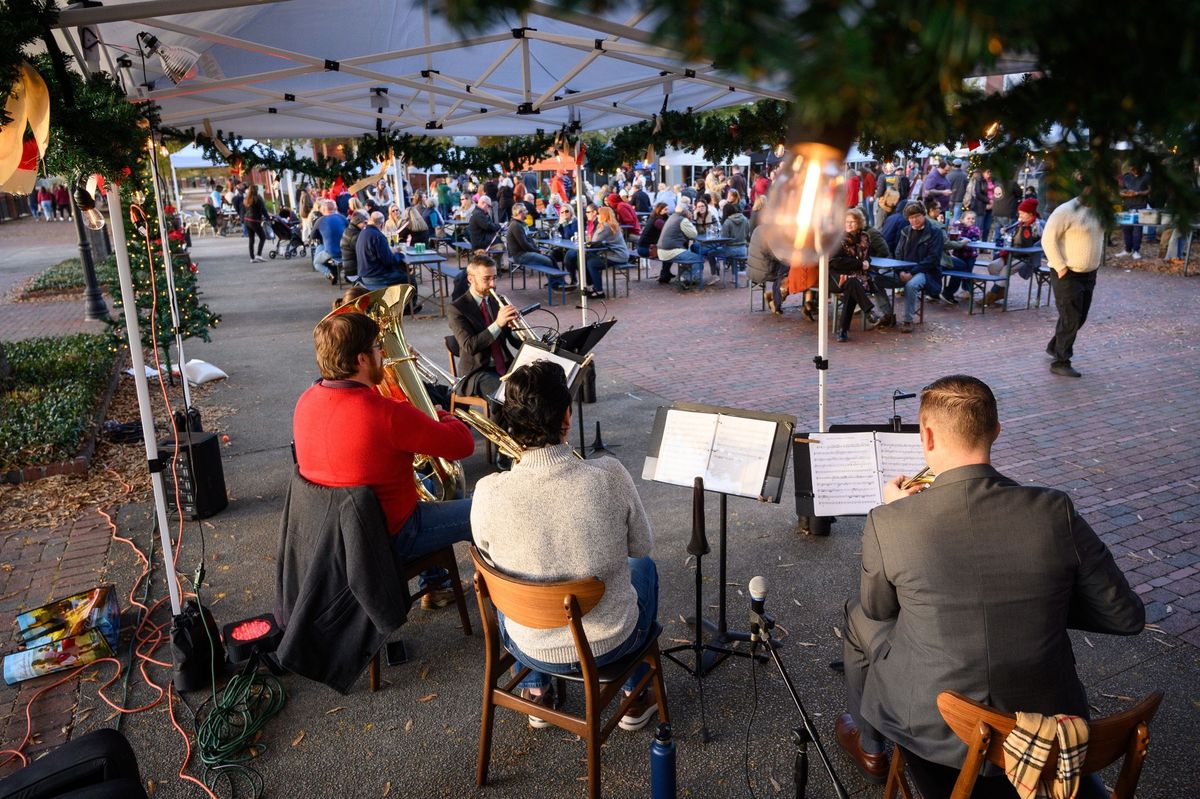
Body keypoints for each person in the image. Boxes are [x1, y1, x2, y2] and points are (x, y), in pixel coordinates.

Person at [836, 375, 1143, 787]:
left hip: (932, 727)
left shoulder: (889, 520)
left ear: (926, 436)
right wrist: (1035, 598)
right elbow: (1125, 617)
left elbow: (879, 609)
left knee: (859, 614)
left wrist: (896, 515)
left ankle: (870, 746)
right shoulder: (1056, 511)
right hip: (1047, 725)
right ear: (996, 431)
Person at [471, 360, 660, 731]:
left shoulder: (488, 491)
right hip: (609, 642)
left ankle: (535, 691)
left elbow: (490, 559)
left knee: (521, 577)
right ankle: (634, 698)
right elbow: (641, 546)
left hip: (528, 642)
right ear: (567, 417)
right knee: (645, 570)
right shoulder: (609, 474)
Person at [293, 311, 475, 608]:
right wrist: (437, 411)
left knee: (423, 496)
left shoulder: (306, 400)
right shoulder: (387, 413)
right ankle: (514, 602)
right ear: (362, 360)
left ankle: (436, 583)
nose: (384, 353)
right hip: (390, 537)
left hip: (332, 540)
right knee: (487, 507)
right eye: (379, 346)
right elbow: (462, 444)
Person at [1042, 193, 1104, 378]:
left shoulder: (1100, 211)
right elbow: (1048, 239)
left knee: (1080, 317)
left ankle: (1055, 346)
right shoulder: (1065, 211)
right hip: (1067, 274)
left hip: (1089, 274)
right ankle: (1061, 361)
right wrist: (1060, 266)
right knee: (1071, 318)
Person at [447, 255, 521, 401]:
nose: (492, 284)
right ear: (471, 279)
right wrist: (498, 324)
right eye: (486, 279)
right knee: (503, 396)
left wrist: (515, 329)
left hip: (504, 365)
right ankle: (498, 425)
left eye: (494, 277)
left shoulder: (497, 300)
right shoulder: (456, 308)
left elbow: (514, 343)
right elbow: (469, 346)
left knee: (536, 383)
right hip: (476, 372)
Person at [829, 208, 882, 341]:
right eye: (846, 221)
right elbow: (835, 263)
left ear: (859, 222)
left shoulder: (865, 237)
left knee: (852, 287)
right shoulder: (837, 238)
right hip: (837, 278)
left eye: (852, 221)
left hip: (859, 278)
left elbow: (867, 257)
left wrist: (866, 262)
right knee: (852, 283)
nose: (849, 224)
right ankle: (869, 311)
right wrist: (859, 264)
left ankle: (842, 331)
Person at [894, 202, 944, 334]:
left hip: (925, 271)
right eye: (911, 218)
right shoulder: (905, 231)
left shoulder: (935, 232)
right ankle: (887, 314)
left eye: (917, 216)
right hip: (903, 269)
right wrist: (900, 271)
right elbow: (898, 253)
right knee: (878, 278)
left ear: (924, 215)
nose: (914, 220)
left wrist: (911, 272)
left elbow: (933, 259)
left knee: (911, 285)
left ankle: (908, 320)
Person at [356, 212, 418, 311]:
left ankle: (398, 303)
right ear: (382, 224)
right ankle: (409, 308)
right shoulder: (378, 236)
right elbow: (388, 261)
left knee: (400, 272)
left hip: (364, 274)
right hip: (377, 276)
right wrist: (399, 254)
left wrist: (390, 252)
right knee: (410, 279)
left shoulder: (363, 233)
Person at [507, 203, 565, 290]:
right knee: (547, 261)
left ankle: (559, 282)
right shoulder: (515, 225)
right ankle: (556, 285)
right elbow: (524, 244)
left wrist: (537, 250)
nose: (527, 212)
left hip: (525, 252)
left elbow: (529, 240)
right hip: (520, 255)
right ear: (520, 212)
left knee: (551, 258)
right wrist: (537, 251)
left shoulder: (521, 224)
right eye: (525, 210)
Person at [584, 206, 629, 299]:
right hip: (616, 254)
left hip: (618, 256)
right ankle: (592, 286)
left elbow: (594, 240)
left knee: (591, 263)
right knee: (587, 258)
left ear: (604, 215)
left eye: (598, 214)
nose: (597, 216)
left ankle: (599, 291)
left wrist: (595, 224)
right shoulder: (609, 224)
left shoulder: (606, 226)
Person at [656, 203, 704, 285]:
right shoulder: (682, 220)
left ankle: (683, 277)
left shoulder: (671, 217)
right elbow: (693, 234)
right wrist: (690, 220)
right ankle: (686, 280)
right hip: (671, 251)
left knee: (689, 256)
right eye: (689, 211)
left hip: (662, 250)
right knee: (698, 258)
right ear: (685, 211)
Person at [747, 224, 789, 314]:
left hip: (751, 270)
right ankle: (776, 303)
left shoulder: (758, 229)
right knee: (785, 270)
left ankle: (773, 297)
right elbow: (778, 256)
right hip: (764, 272)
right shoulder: (772, 233)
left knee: (783, 268)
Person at [1116, 164, 1151, 259]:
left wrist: (1138, 193)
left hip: (1140, 205)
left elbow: (1149, 190)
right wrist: (1123, 193)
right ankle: (1128, 249)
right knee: (1126, 228)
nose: (1133, 171)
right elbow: (1120, 190)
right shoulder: (1126, 177)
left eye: (1135, 169)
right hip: (1127, 205)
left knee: (1137, 229)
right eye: (1131, 169)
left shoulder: (1146, 176)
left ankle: (1136, 250)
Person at [312, 200, 346, 284]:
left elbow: (313, 236)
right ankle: (335, 270)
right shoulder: (342, 218)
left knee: (316, 262)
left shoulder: (320, 220)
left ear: (323, 210)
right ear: (334, 208)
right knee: (320, 248)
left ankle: (329, 274)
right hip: (344, 250)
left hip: (331, 252)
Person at [339, 209, 368, 283]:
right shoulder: (355, 236)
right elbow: (366, 252)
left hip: (348, 270)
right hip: (354, 273)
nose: (366, 225)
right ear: (358, 223)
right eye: (364, 223)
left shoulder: (348, 230)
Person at [242, 184, 268, 263]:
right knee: (263, 237)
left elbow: (244, 210)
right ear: (256, 190)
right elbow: (263, 210)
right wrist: (268, 218)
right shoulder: (258, 198)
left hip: (247, 220)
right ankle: (258, 255)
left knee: (251, 239)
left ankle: (252, 258)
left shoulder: (246, 199)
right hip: (254, 221)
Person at [946, 159, 968, 223]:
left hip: (950, 200)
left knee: (948, 217)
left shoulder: (949, 175)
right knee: (956, 218)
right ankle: (954, 231)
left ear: (953, 165)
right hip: (960, 199)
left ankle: (947, 231)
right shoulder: (965, 175)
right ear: (960, 165)